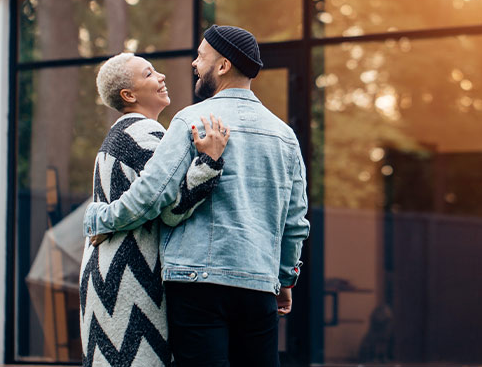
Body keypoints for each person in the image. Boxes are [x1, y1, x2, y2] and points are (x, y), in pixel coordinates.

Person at [84, 25, 310, 367]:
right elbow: (294, 222)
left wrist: (100, 217)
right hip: (258, 283)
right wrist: (284, 278)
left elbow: (152, 195)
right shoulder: (285, 136)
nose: (193, 63)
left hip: (196, 285)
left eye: (201, 56)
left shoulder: (191, 120)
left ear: (222, 66)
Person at [79, 52, 230, 367]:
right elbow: (171, 209)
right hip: (132, 277)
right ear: (129, 95)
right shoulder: (145, 134)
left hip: (109, 274)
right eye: (148, 74)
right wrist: (210, 161)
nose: (160, 76)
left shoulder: (119, 134)